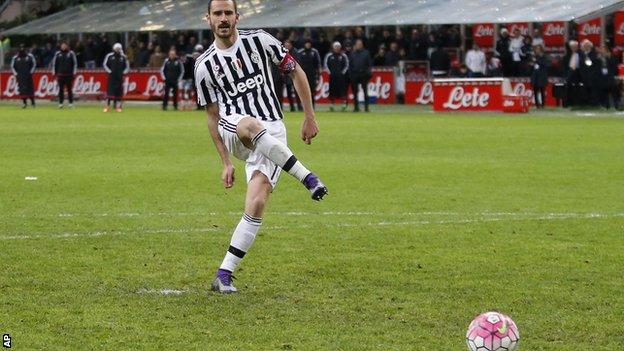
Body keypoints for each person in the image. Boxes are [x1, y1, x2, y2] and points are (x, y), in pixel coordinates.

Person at [195, 0, 328, 294]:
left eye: (228, 13)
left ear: (237, 16)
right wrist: (226, 163)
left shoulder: (261, 41)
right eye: (217, 14)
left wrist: (309, 116)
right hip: (234, 128)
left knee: (256, 203)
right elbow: (212, 117)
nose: (223, 18)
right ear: (208, 19)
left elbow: (296, 72)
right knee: (250, 125)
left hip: (272, 132)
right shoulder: (204, 66)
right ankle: (308, 177)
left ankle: (223, 274)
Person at [103, 43, 130, 112]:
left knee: (119, 92)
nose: (118, 50)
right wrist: (110, 72)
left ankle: (118, 107)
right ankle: (107, 107)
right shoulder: (109, 56)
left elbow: (127, 66)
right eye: (116, 48)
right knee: (110, 92)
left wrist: (123, 73)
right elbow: (105, 64)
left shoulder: (123, 57)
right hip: (112, 77)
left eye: (119, 48)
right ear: (114, 49)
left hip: (119, 77)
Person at [324, 41, 349, 111]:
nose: (337, 48)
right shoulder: (329, 56)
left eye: (338, 47)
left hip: (341, 77)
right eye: (336, 47)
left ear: (340, 48)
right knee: (332, 91)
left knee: (342, 91)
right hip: (332, 77)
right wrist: (330, 73)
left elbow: (346, 65)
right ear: (333, 47)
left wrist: (342, 73)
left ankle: (344, 106)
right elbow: (326, 65)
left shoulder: (343, 56)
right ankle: (331, 106)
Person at [349, 39, 372, 112]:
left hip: (363, 74)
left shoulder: (366, 53)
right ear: (355, 45)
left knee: (365, 91)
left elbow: (369, 64)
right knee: (355, 92)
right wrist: (351, 75)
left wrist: (368, 73)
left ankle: (366, 108)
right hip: (355, 74)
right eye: (358, 44)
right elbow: (350, 65)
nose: (359, 45)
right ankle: (356, 108)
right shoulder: (352, 54)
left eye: (360, 44)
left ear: (362, 45)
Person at [297, 39, 322, 108]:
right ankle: (301, 106)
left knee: (311, 90)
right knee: (302, 90)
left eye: (309, 43)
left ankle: (312, 106)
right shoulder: (300, 52)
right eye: (306, 43)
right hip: (302, 74)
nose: (308, 45)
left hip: (312, 74)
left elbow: (318, 63)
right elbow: (297, 63)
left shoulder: (314, 52)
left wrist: (319, 72)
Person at [52, 42, 77, 108]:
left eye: (64, 45)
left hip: (69, 74)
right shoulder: (58, 54)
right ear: (60, 46)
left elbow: (75, 64)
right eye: (62, 45)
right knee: (61, 89)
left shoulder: (71, 53)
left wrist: (74, 73)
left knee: (69, 89)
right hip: (60, 75)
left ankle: (71, 103)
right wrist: (54, 73)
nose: (63, 47)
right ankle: (60, 103)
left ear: (67, 46)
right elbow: (54, 64)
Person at [10, 44, 36, 108]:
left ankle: (32, 102)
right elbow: (12, 67)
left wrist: (31, 72)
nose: (22, 49)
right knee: (22, 89)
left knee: (30, 88)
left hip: (28, 75)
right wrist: (16, 74)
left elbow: (34, 64)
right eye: (20, 48)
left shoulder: (30, 56)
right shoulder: (15, 58)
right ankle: (24, 103)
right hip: (20, 76)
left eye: (23, 48)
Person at [283, 40, 302, 112]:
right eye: (286, 45)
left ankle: (299, 106)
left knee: (297, 91)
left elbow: (297, 63)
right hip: (286, 75)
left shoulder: (295, 52)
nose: (287, 47)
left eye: (288, 45)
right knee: (289, 92)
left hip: (294, 74)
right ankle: (292, 107)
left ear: (291, 45)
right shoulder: (283, 52)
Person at [562, 40, 581, 107]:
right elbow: (564, 67)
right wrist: (565, 76)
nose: (574, 48)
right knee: (567, 88)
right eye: (572, 47)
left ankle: (576, 104)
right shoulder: (566, 56)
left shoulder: (580, 55)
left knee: (576, 89)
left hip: (577, 74)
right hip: (569, 73)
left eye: (575, 46)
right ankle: (566, 104)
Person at [530, 45, 549, 109]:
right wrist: (531, 64)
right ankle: (537, 105)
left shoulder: (544, 57)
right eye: (536, 49)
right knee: (535, 91)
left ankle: (543, 104)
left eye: (538, 49)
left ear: (541, 50)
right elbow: (532, 65)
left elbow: (545, 64)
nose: (536, 50)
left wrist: (536, 61)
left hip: (541, 76)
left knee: (542, 90)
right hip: (535, 76)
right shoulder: (535, 56)